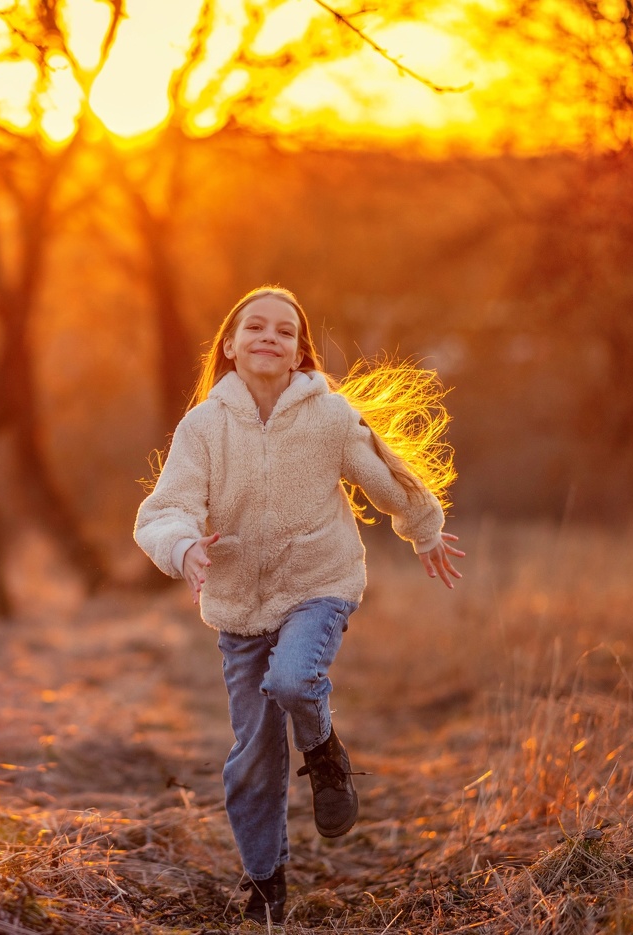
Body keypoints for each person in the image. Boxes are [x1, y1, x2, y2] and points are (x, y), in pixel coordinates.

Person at [133, 286, 464, 925]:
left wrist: (423, 526)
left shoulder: (328, 417)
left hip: (319, 585)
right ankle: (265, 884)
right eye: (254, 326)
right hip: (237, 607)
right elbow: (166, 507)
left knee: (292, 679)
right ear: (228, 347)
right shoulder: (202, 427)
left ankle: (322, 751)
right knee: (251, 759)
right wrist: (182, 548)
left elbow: (382, 473)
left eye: (284, 332)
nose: (269, 336)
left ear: (298, 354)